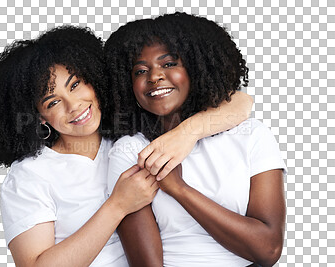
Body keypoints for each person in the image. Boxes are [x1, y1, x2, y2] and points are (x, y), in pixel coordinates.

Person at [0, 25, 252, 266]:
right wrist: (117, 205)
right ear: (40, 117)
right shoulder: (29, 176)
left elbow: (241, 102)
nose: (74, 105)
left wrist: (186, 134)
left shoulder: (128, 136)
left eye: (76, 84)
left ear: (93, 79)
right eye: (53, 102)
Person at [105, 12, 286, 267]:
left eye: (168, 64)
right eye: (140, 70)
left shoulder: (251, 135)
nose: (154, 76)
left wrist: (180, 190)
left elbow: (268, 249)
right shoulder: (131, 151)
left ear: (195, 68)